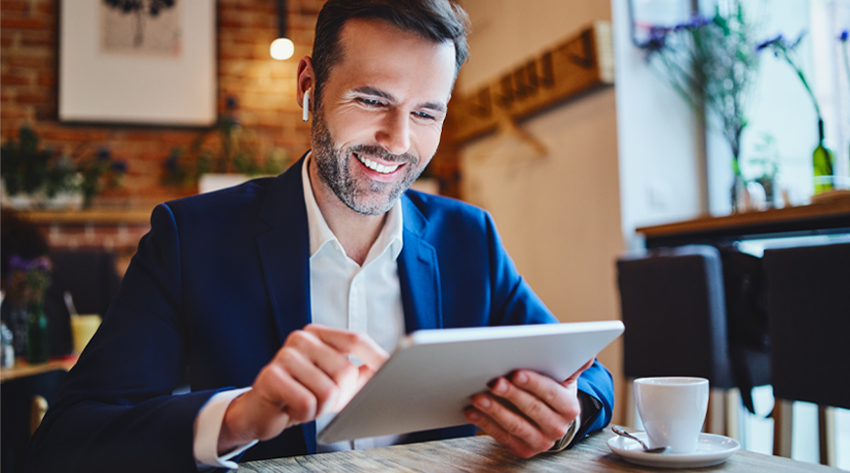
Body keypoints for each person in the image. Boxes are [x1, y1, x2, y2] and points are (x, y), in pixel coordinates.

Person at [28, 1, 614, 471]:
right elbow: (70, 437)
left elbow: (581, 370)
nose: (397, 141)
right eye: (371, 100)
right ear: (308, 84)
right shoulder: (191, 240)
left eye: (426, 113)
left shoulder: (469, 237)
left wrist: (567, 415)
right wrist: (237, 418)